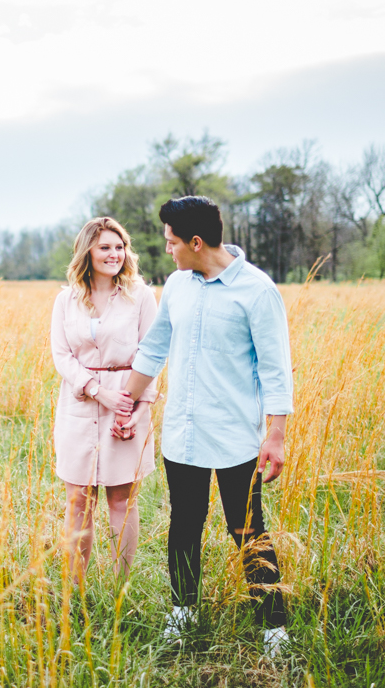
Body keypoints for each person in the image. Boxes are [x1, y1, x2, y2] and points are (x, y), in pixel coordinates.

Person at [115, 196, 293, 657]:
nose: (168, 249)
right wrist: (126, 403)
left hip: (235, 436)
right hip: (183, 434)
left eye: (173, 242)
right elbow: (154, 350)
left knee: (247, 528)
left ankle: (273, 624)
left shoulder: (257, 290)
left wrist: (276, 435)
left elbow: (276, 369)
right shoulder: (178, 285)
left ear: (196, 242)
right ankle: (184, 610)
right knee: (185, 522)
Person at [50, 217, 159, 584]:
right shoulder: (66, 300)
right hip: (79, 405)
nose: (115, 254)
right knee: (79, 501)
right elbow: (61, 355)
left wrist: (135, 407)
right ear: (87, 252)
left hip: (128, 404)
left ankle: (119, 586)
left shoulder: (140, 295)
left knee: (120, 501)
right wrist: (97, 390)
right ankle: (75, 588)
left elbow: (152, 353)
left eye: (119, 246)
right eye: (105, 247)